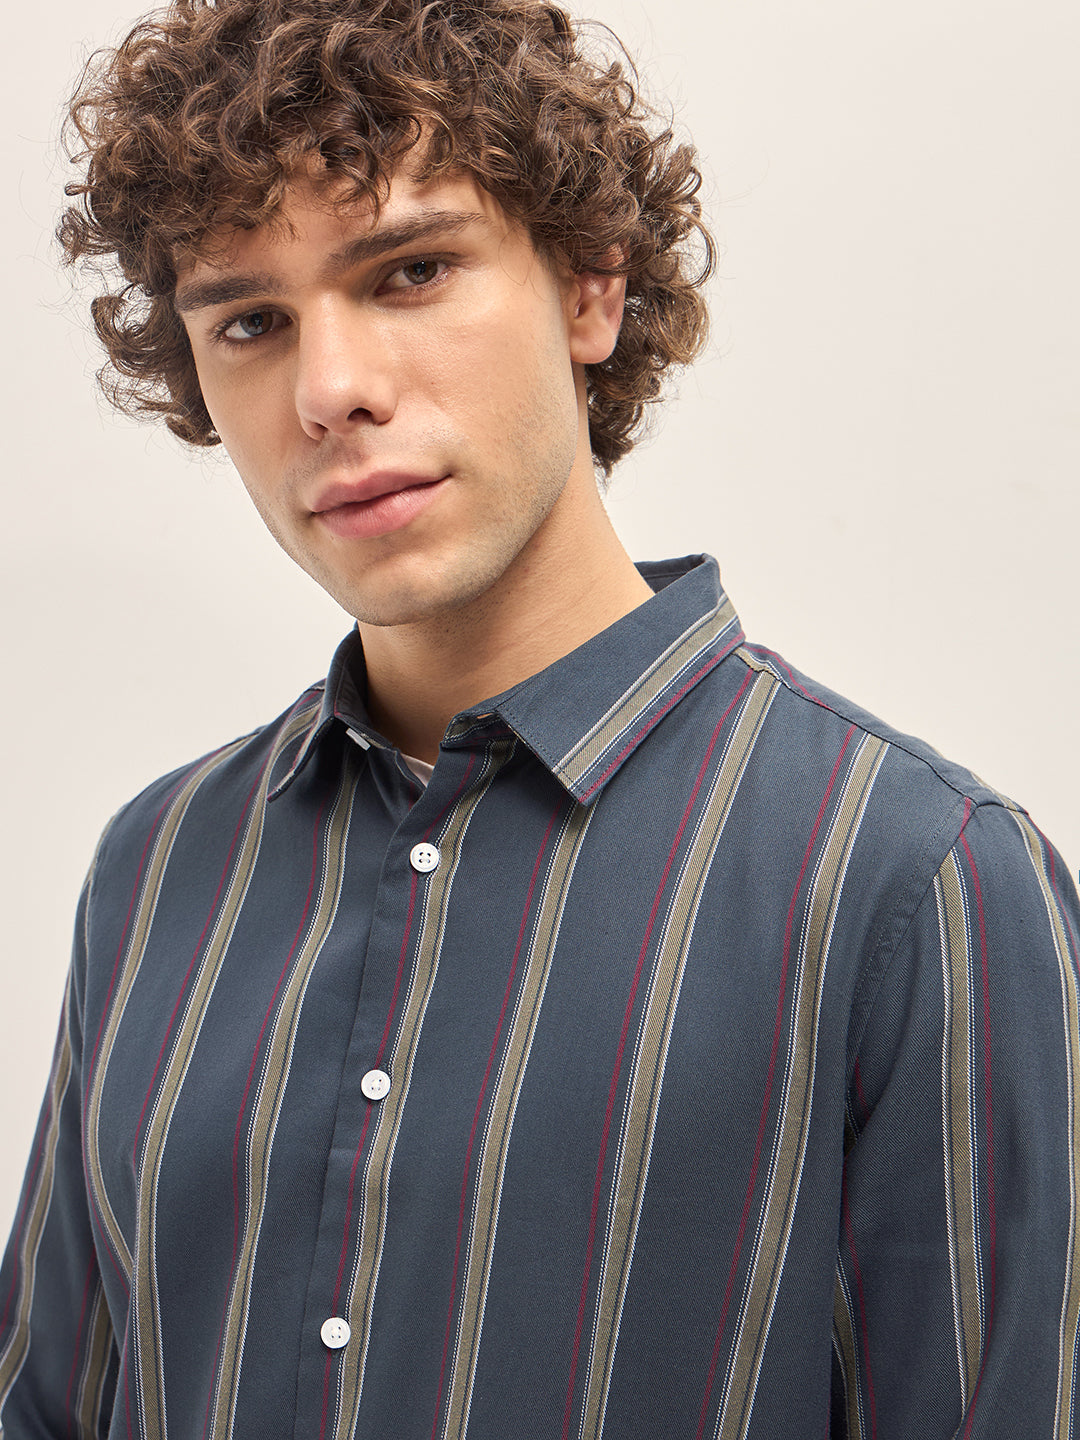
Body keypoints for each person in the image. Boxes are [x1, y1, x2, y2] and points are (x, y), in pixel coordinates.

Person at [2, 0, 1078, 1435]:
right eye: (251, 322)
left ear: (590, 290)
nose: (330, 391)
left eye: (411, 272)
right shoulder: (157, 870)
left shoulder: (916, 882)